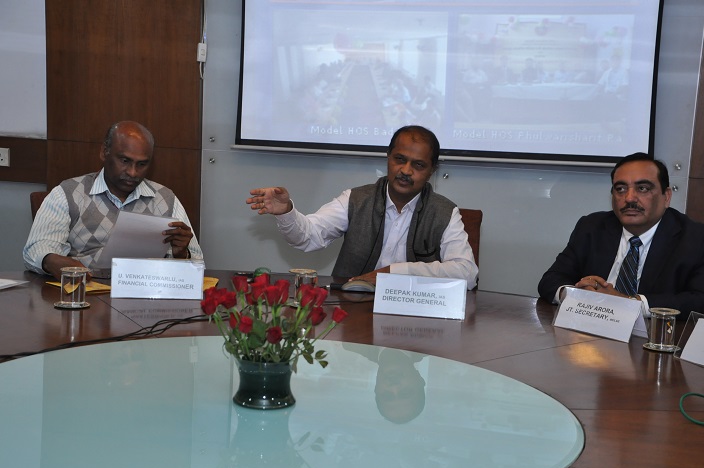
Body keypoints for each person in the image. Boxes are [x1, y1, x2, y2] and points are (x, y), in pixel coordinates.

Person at [247, 125, 478, 289]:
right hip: (353, 309)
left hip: (416, 316)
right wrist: (287, 212)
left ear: (432, 171)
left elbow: (467, 274)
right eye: (399, 159)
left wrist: (396, 272)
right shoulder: (356, 200)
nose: (406, 171)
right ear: (388, 157)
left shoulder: (444, 212)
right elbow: (309, 237)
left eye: (418, 165)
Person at [538, 152, 704, 318]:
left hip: (651, 337)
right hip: (589, 333)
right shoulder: (592, 227)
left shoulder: (699, 239)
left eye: (642, 188)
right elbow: (550, 280)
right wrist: (578, 294)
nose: (629, 198)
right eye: (620, 189)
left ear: (666, 196)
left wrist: (628, 303)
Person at [23, 121, 203, 280]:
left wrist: (182, 254)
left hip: (145, 295)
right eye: (125, 161)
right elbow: (36, 249)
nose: (132, 172)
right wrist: (51, 260)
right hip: (86, 294)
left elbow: (197, 264)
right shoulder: (68, 193)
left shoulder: (165, 199)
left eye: (142, 164)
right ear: (104, 152)